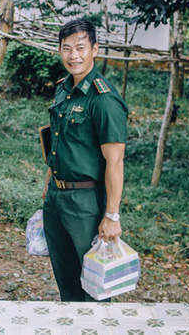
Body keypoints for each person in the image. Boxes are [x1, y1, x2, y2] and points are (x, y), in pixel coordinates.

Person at [41, 19, 128, 302]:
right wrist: (48, 185)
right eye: (66, 48)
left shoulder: (103, 99)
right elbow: (57, 141)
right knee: (66, 280)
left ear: (95, 49)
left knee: (95, 285)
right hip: (56, 197)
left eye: (80, 48)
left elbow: (115, 161)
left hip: (85, 203)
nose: (73, 56)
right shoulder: (64, 88)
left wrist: (111, 216)